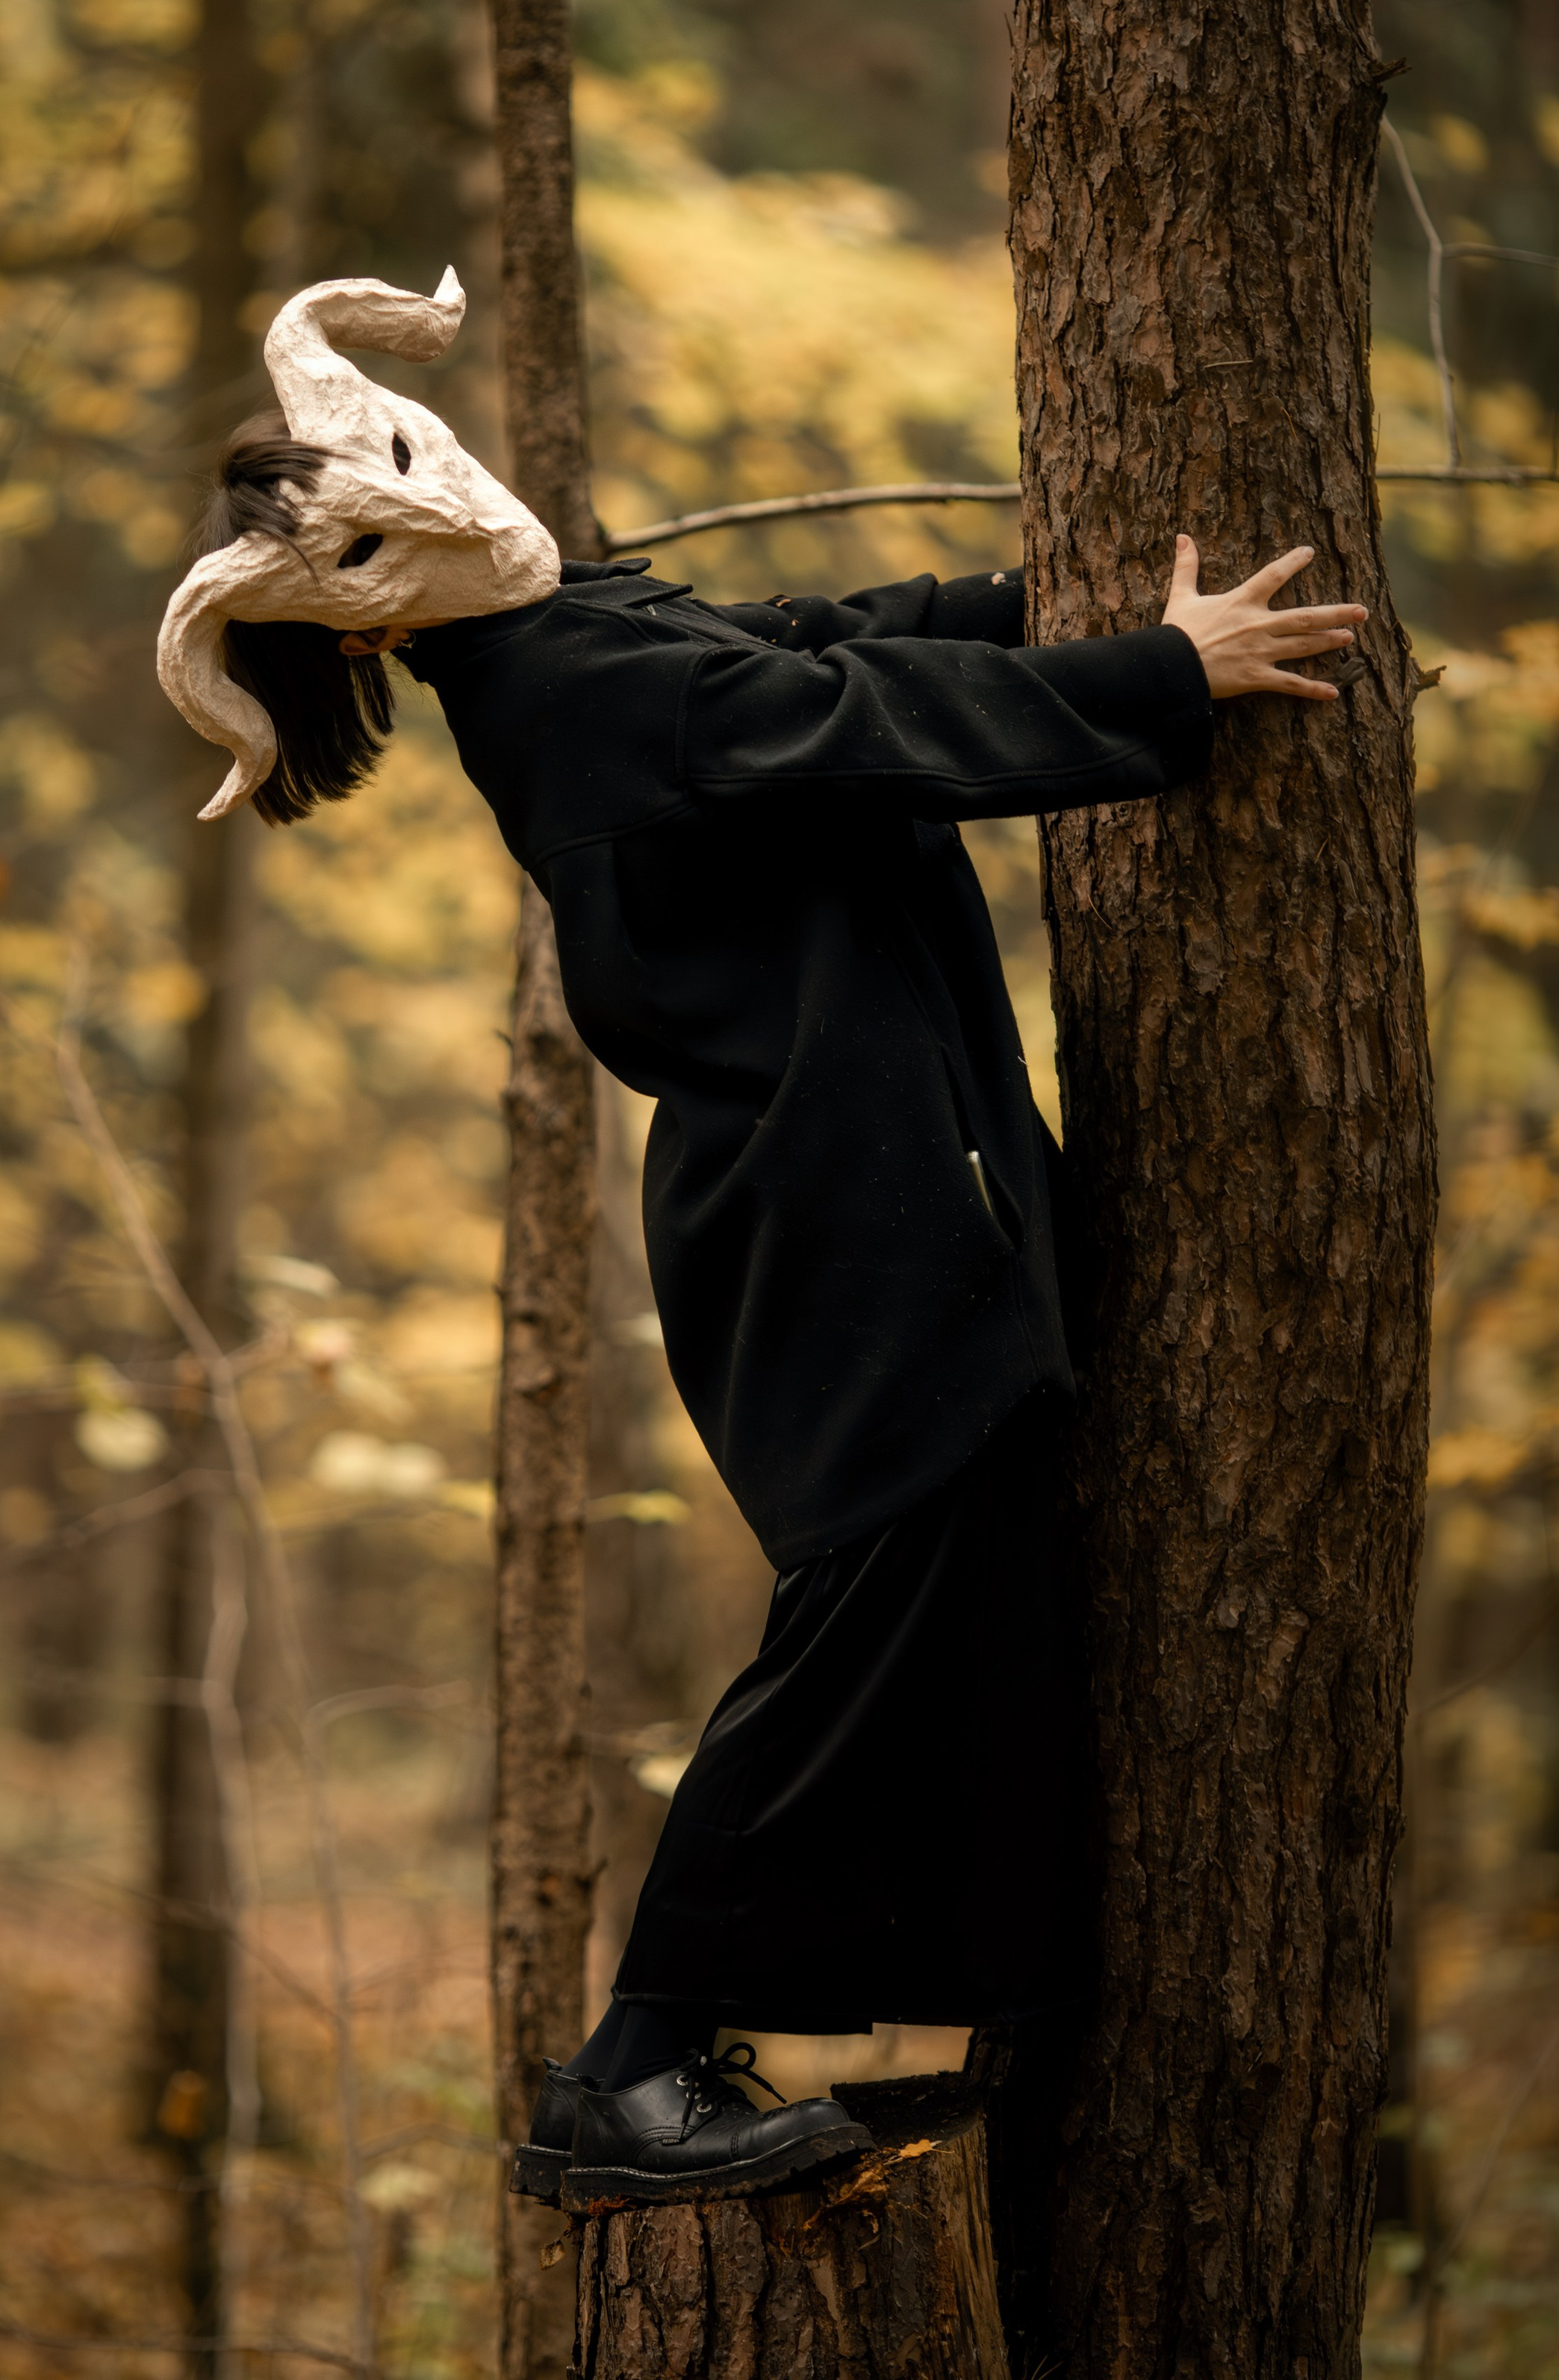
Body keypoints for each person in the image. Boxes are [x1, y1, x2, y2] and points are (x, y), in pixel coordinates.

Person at [158, 272, 1366, 2208]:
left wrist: (1053, 602)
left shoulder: (579, 631)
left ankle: (976, 2001)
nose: (452, 485)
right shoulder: (581, 691)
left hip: (855, 1201)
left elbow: (820, 634)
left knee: (969, 1596)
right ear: (364, 593)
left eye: (415, 451)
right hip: (833, 1228)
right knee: (867, 1621)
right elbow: (852, 713)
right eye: (388, 505)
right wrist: (1158, 676)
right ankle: (627, 2073)